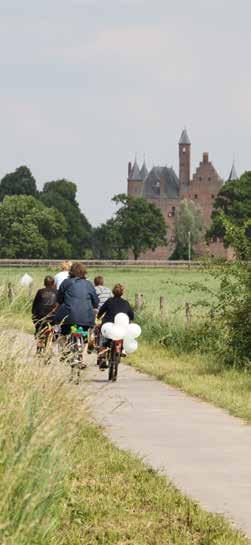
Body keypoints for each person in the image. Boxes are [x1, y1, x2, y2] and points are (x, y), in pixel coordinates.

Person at [55, 262, 99, 335]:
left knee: (63, 334)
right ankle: (85, 343)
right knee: (86, 337)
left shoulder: (66, 282)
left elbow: (59, 300)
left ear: (71, 272)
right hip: (87, 320)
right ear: (84, 272)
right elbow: (96, 303)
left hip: (68, 319)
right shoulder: (89, 284)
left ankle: (63, 344)